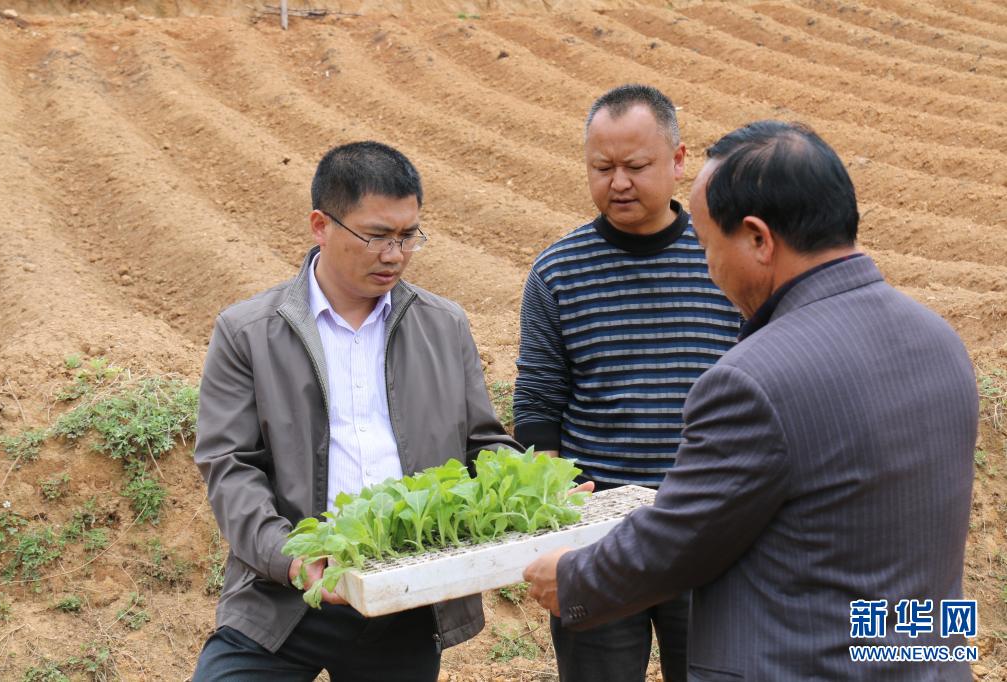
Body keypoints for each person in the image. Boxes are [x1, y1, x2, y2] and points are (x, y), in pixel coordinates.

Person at [524, 120, 979, 680]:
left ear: (759, 240)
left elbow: (682, 539)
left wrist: (572, 578)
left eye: (708, 246)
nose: (708, 268)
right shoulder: (939, 340)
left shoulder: (753, 379)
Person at [191, 141, 519, 681]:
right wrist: (292, 558)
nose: (394, 255)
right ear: (321, 226)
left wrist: (535, 489)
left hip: (403, 594)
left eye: (407, 236)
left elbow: (480, 445)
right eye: (376, 236)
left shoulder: (444, 325)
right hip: (285, 599)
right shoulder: (248, 332)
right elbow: (230, 466)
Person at [513, 84, 742, 682]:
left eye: (636, 166)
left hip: (707, 527)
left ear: (678, 160)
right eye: (602, 167)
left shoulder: (724, 257)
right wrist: (554, 515)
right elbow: (538, 401)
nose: (618, 183)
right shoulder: (558, 271)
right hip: (599, 540)